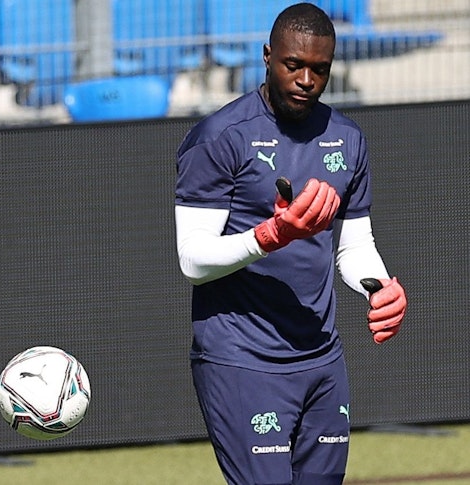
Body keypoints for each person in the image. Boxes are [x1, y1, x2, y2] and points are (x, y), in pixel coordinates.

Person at [174, 3, 407, 484]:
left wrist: (379, 287)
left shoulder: (346, 138)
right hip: (241, 360)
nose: (306, 79)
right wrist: (271, 235)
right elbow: (193, 260)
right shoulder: (220, 137)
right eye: (293, 65)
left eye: (319, 69)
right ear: (266, 56)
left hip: (322, 359)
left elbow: (354, 246)